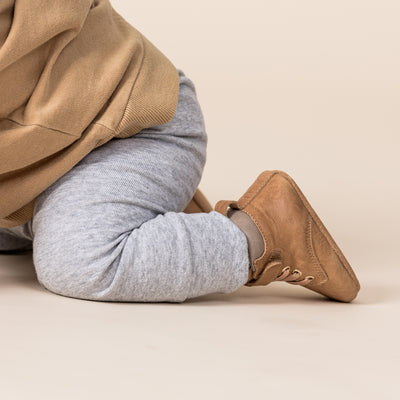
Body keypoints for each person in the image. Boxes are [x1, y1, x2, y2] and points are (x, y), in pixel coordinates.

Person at [0, 0, 360, 303]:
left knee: (81, 261)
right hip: (35, 163)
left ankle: (261, 235)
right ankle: (147, 215)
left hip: (133, 129)